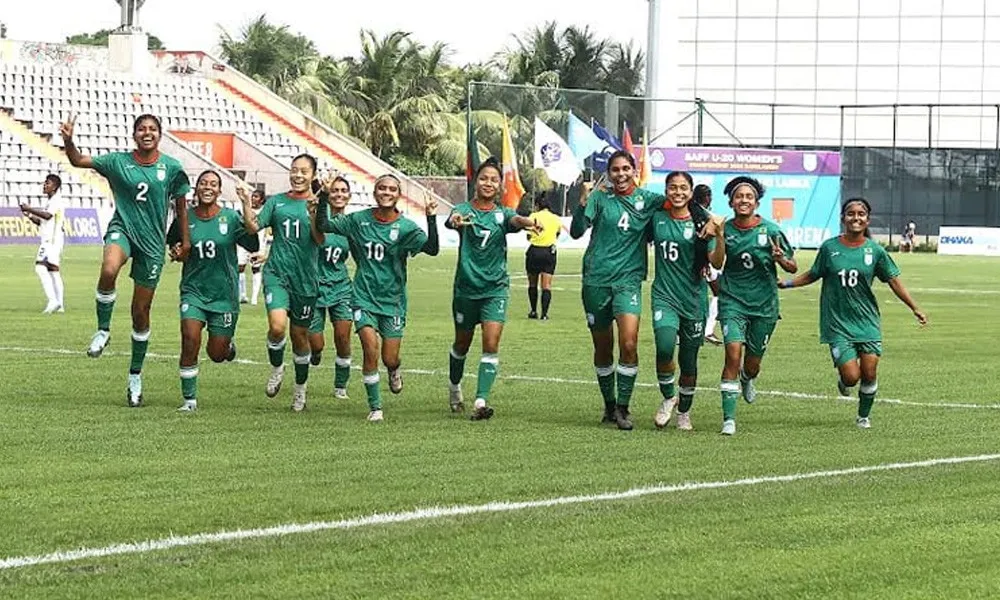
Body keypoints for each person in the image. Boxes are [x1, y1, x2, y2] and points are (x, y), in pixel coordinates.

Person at [570, 150, 710, 430]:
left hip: (629, 281)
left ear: (634, 171)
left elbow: (682, 203)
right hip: (596, 280)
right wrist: (581, 202)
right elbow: (576, 232)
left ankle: (623, 408)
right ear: (609, 174)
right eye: (615, 170)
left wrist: (709, 223)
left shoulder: (650, 200)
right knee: (602, 347)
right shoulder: (599, 198)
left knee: (629, 343)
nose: (621, 174)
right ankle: (609, 405)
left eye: (626, 169)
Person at [62, 113, 192, 407]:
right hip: (123, 229)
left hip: (152, 243)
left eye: (152, 129)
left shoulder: (172, 168)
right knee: (109, 270)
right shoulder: (117, 162)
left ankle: (135, 375)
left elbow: (182, 208)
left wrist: (185, 242)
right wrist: (69, 141)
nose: (147, 133)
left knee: (140, 312)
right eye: (141, 129)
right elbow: (78, 160)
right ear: (134, 135)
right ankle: (103, 330)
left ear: (160, 135)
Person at [778, 198, 927, 429]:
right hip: (837, 323)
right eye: (851, 213)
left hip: (866, 321)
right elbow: (814, 273)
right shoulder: (829, 248)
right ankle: (843, 379)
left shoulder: (875, 251)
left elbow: (894, 281)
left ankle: (863, 417)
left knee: (869, 373)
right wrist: (787, 284)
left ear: (867, 219)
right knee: (851, 377)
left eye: (861, 214)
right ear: (843, 218)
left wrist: (914, 307)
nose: (856, 217)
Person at [315, 174, 439, 422]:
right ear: (375, 192)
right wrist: (324, 197)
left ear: (398, 195)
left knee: (389, 358)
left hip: (393, 301)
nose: (386, 192)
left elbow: (432, 249)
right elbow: (324, 225)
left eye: (392, 189)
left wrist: (431, 218)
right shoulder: (358, 220)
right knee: (369, 348)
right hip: (363, 297)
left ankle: (394, 369)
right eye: (382, 188)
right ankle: (375, 407)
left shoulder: (406, 228)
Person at [446, 158, 539, 420]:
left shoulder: (503, 213)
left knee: (490, 343)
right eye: (484, 178)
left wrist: (528, 221)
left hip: (495, 289)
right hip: (466, 289)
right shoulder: (463, 210)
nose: (488, 183)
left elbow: (516, 220)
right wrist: (455, 220)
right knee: (461, 344)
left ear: (500, 186)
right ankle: (454, 387)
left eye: (494, 180)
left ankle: (480, 401)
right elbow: (453, 220)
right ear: (476, 182)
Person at [237, 154, 324, 413]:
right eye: (294, 170)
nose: (298, 175)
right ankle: (277, 367)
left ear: (313, 175)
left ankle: (300, 389)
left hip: (305, 281)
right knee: (277, 328)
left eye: (304, 171)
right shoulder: (276, 202)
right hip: (277, 275)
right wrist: (245, 202)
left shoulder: (320, 205)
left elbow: (320, 240)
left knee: (299, 337)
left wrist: (314, 213)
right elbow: (252, 227)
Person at [166, 170, 259, 412]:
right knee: (189, 339)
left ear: (219, 191)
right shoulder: (185, 218)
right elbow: (173, 243)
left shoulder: (230, 218)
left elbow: (253, 243)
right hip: (194, 291)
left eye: (213, 184)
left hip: (224, 295)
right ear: (196, 189)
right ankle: (189, 401)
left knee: (217, 354)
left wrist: (246, 205)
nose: (208, 187)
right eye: (203, 183)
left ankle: (227, 347)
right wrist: (176, 252)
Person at [716, 176, 797, 436]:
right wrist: (718, 237)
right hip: (732, 301)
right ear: (731, 202)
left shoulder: (771, 231)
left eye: (748, 197)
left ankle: (747, 378)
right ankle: (729, 419)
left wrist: (780, 258)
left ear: (757, 203)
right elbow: (716, 262)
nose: (744, 200)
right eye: (739, 196)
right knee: (732, 354)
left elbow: (792, 267)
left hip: (764, 305)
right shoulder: (724, 229)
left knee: (751, 365)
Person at [648, 172, 725, 431]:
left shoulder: (703, 223)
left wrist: (719, 235)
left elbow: (716, 262)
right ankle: (669, 397)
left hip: (693, 299)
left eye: (683, 188)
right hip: (664, 296)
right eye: (673, 187)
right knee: (664, 347)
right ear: (666, 191)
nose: (678, 192)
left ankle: (684, 412)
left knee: (689, 360)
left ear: (691, 193)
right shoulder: (657, 217)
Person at [308, 174, 355, 400]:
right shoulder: (317, 216)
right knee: (316, 344)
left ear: (349, 196)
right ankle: (315, 353)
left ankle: (340, 386)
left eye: (343, 191)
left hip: (341, 287)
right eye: (334, 190)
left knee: (343, 338)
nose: (339, 194)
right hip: (314, 288)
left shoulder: (352, 224)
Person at [20, 174, 66, 314]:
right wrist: (29, 215)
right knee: (53, 271)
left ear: (55, 187)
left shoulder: (56, 201)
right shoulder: (51, 201)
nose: (45, 185)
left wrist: (29, 208)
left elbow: (47, 215)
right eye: (45, 182)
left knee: (40, 268)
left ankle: (52, 301)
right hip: (54, 241)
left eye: (48, 183)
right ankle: (60, 305)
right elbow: (42, 221)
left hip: (50, 241)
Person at [525, 192, 562, 320]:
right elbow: (557, 234)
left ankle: (533, 311)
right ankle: (544, 314)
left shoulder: (533, 216)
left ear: (537, 205)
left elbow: (528, 235)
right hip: (549, 252)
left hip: (534, 251)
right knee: (546, 285)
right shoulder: (555, 218)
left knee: (532, 283)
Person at [694, 184, 722, 345]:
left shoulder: (690, 210)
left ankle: (705, 330)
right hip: (706, 259)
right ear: (707, 198)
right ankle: (707, 331)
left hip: (703, 259)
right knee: (719, 293)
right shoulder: (706, 215)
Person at [247, 189, 269, 305]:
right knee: (240, 267)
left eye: (256, 196)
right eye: (253, 196)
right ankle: (242, 295)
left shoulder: (264, 211)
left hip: (259, 243)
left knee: (255, 268)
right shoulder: (246, 209)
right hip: (244, 242)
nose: (253, 198)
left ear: (261, 199)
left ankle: (254, 297)